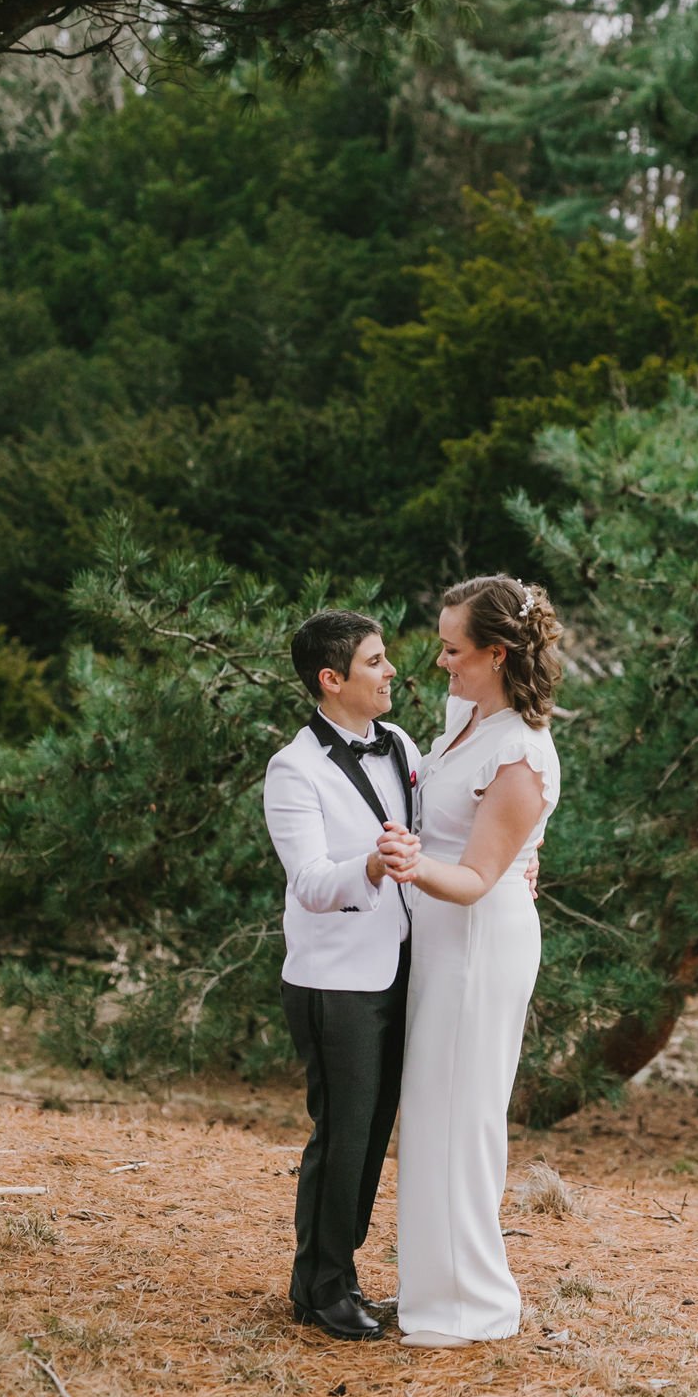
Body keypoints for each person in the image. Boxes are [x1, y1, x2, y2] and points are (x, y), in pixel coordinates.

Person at [378, 575, 562, 1349]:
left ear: (497, 652)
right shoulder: (467, 717)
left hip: (479, 938)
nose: (441, 662)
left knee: (462, 1117)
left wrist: (404, 864)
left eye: (455, 649)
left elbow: (481, 877)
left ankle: (470, 1308)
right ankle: (433, 1289)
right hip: (441, 940)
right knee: (431, 1113)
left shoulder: (520, 753)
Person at [263, 609, 421, 1342]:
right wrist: (368, 865)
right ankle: (321, 1287)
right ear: (333, 680)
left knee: (375, 1126)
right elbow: (310, 881)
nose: (391, 671)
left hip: (401, 966)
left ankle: (336, 1277)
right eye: (376, 661)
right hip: (335, 980)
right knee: (344, 1133)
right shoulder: (295, 769)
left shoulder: (401, 746)